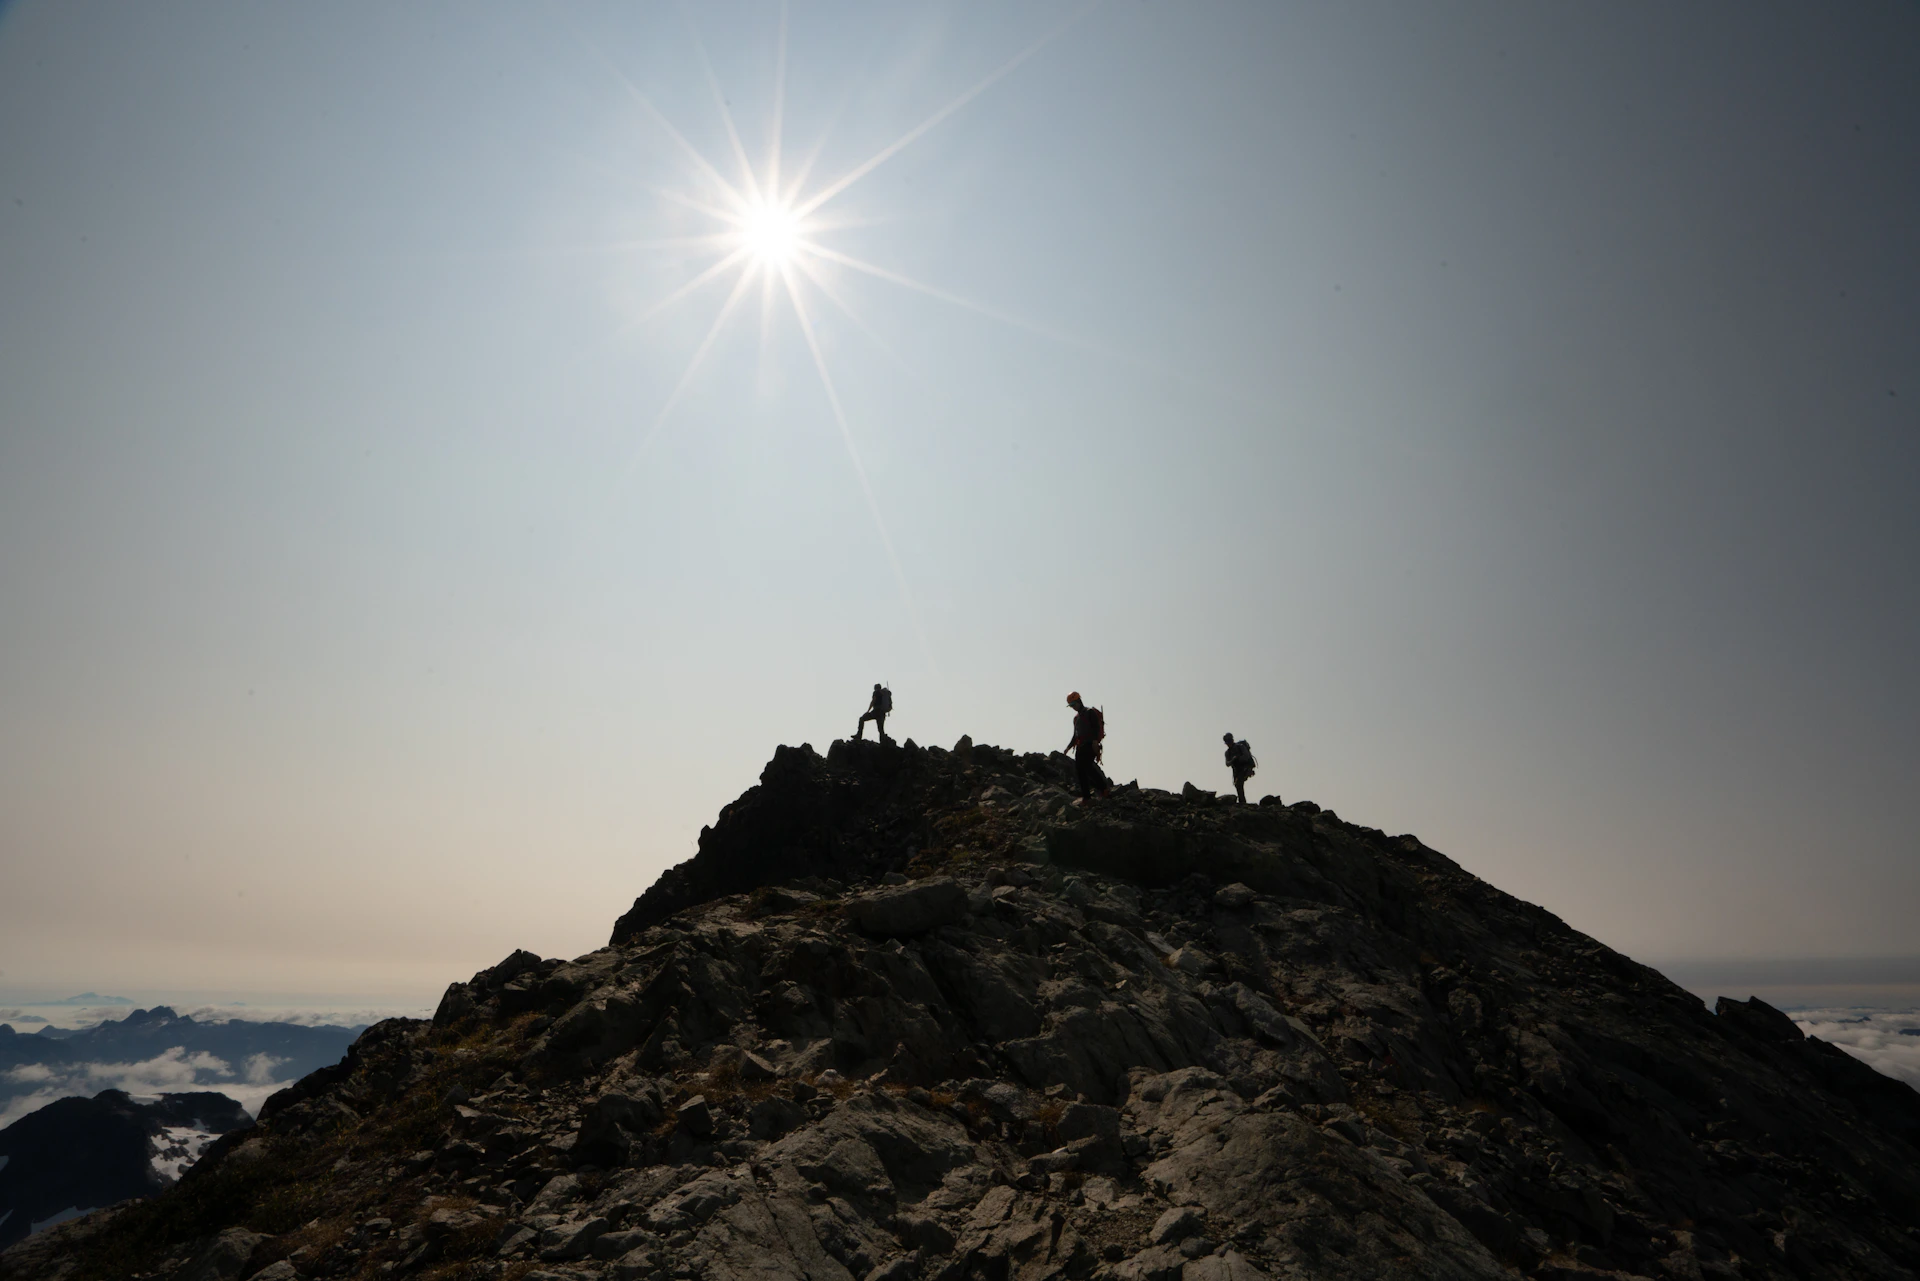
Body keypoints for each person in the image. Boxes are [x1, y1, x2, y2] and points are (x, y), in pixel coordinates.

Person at [1065, 692, 1111, 801]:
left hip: (1090, 744)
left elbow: (1096, 728)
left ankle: (1103, 788)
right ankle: (1087, 797)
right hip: (1080, 746)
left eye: (1073, 704)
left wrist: (1095, 742)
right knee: (1080, 771)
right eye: (1071, 706)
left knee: (1088, 767)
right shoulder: (1076, 718)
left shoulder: (1090, 712)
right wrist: (1068, 747)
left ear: (1079, 701)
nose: (1073, 707)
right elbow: (1075, 735)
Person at [1223, 733, 1257, 803]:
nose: (1228, 743)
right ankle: (1242, 801)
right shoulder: (1227, 753)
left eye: (1229, 740)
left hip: (1245, 768)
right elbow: (1227, 763)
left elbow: (1246, 756)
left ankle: (1242, 802)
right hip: (1236, 771)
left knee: (1239, 784)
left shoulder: (1240, 747)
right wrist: (1233, 760)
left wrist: (1238, 758)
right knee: (1237, 784)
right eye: (1227, 741)